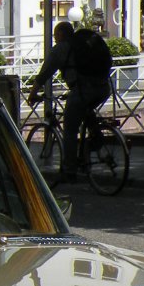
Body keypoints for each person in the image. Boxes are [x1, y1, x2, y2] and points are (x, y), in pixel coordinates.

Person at [26, 21, 112, 183]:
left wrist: (32, 94)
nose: (54, 38)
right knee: (85, 111)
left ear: (60, 34)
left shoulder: (60, 49)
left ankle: (70, 169)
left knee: (70, 129)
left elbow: (44, 74)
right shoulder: (83, 44)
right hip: (103, 88)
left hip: (83, 90)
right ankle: (94, 145)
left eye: (55, 35)